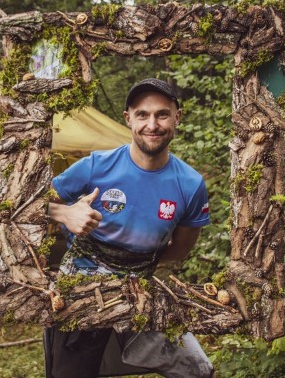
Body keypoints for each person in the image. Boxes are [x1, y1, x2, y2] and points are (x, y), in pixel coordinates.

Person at [45, 78, 214, 378]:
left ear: (178, 117)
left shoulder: (190, 184)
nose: (153, 124)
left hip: (141, 294)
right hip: (81, 291)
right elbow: (26, 205)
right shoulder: (96, 166)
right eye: (142, 114)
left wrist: (132, 266)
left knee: (198, 370)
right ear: (128, 119)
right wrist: (65, 212)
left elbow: (180, 249)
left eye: (162, 114)